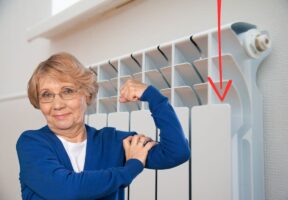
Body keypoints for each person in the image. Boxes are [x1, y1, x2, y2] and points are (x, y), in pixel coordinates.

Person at [16, 52, 190, 200]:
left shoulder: (113, 141)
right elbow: (68, 190)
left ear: (86, 94)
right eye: (47, 95)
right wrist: (133, 165)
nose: (57, 104)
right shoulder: (31, 143)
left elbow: (176, 153)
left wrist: (154, 98)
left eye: (67, 91)